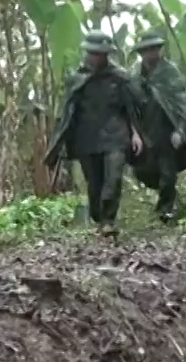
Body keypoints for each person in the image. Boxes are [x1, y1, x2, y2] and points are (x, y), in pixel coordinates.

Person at [47, 33, 143, 236]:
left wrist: (136, 134)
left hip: (116, 135)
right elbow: (67, 114)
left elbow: (131, 109)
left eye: (101, 54)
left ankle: (108, 221)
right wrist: (62, 141)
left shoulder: (120, 77)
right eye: (94, 54)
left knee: (114, 177)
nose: (97, 58)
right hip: (87, 138)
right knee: (94, 182)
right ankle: (99, 218)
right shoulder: (77, 79)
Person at [130, 32, 186, 224]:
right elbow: (129, 104)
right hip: (145, 130)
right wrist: (134, 131)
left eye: (154, 49)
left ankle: (165, 211)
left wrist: (179, 130)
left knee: (168, 173)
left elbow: (181, 103)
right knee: (143, 171)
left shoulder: (170, 72)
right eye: (146, 50)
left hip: (166, 130)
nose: (150, 54)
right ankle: (167, 200)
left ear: (159, 50)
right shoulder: (135, 74)